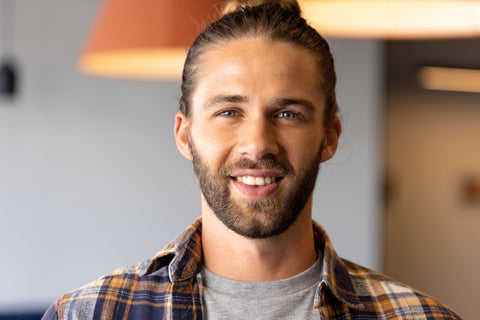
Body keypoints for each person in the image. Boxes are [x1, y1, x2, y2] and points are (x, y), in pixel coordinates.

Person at [42, 0, 461, 319]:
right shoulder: (87, 313)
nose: (257, 144)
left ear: (329, 136)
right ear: (185, 134)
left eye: (288, 114)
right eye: (229, 112)